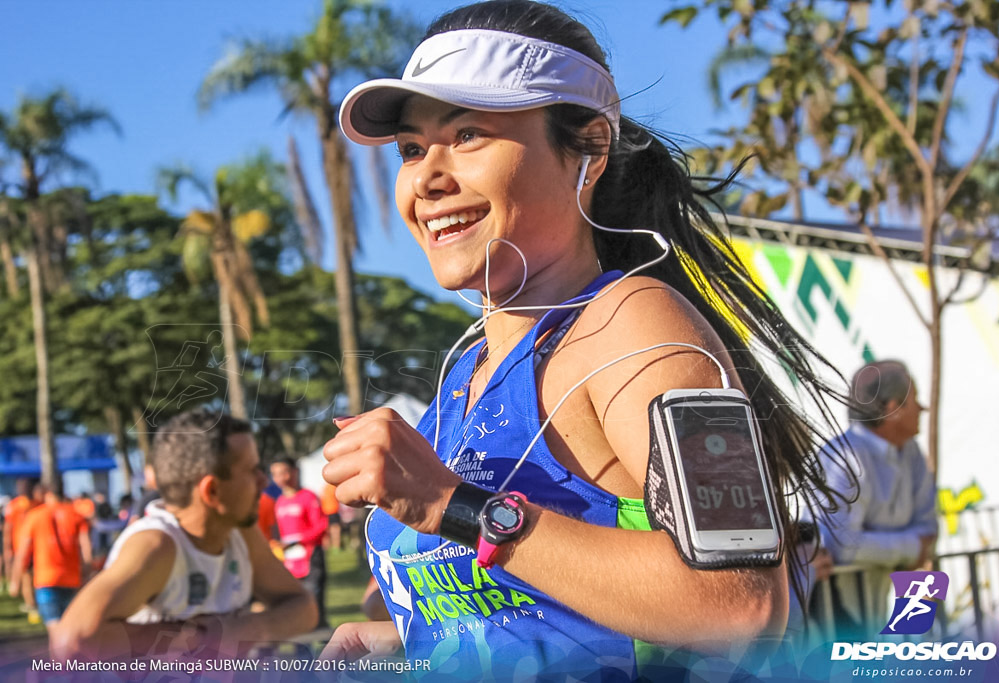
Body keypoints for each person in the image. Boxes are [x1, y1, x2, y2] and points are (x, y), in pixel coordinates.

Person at [320, 1, 845, 678]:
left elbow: (741, 601)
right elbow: (544, 608)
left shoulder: (636, 323)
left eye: (470, 133)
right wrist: (419, 641)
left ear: (590, 148)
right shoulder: (468, 368)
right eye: (413, 148)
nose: (426, 176)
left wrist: (452, 505)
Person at [51, 409, 317, 661]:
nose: (264, 481)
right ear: (211, 491)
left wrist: (241, 630)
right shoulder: (157, 545)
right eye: (251, 471)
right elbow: (70, 642)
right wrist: (195, 638)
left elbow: (304, 608)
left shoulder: (239, 533)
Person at [814, 360, 938, 638]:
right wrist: (908, 547)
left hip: (877, 605)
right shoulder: (844, 456)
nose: (922, 408)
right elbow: (841, 546)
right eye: (914, 400)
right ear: (892, 408)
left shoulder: (911, 452)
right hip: (833, 614)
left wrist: (886, 546)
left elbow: (928, 530)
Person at [8, 485, 92, 635]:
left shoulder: (35, 515)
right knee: (70, 629)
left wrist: (15, 580)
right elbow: (86, 548)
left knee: (55, 628)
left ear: (48, 495)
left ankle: (60, 657)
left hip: (46, 579)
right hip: (72, 578)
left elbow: (22, 552)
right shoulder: (75, 514)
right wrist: (87, 572)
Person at [270, 457, 329, 629]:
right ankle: (302, 648)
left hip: (311, 559)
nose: (280, 478)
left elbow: (321, 526)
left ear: (294, 472)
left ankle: (325, 649)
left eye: (283, 472)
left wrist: (298, 541)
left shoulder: (308, 497)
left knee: (314, 605)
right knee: (296, 606)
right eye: (275, 474)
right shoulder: (279, 502)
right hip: (290, 562)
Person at [3, 479, 44, 623]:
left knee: (30, 578)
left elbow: (8, 528)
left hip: (32, 547)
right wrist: (7, 547)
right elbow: (8, 528)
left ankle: (33, 606)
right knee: (28, 578)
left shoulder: (38, 504)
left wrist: (8, 547)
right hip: (25, 547)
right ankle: (33, 606)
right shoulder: (18, 505)